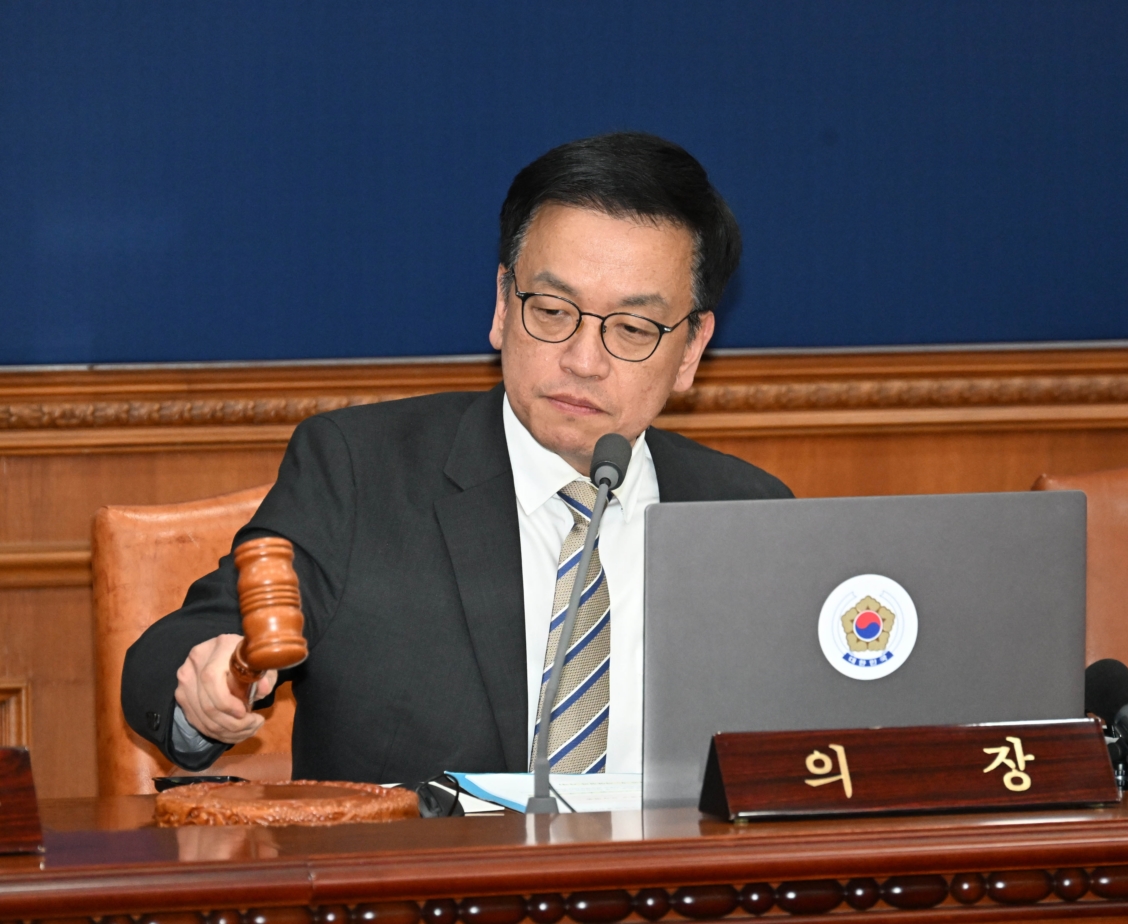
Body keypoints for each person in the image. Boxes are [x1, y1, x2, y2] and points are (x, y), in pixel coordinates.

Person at [122, 132, 792, 784]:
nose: (583, 360)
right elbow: (184, 648)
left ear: (692, 348)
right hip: (421, 863)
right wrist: (209, 688)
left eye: (633, 328)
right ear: (502, 305)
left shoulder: (750, 515)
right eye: (552, 311)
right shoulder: (359, 474)